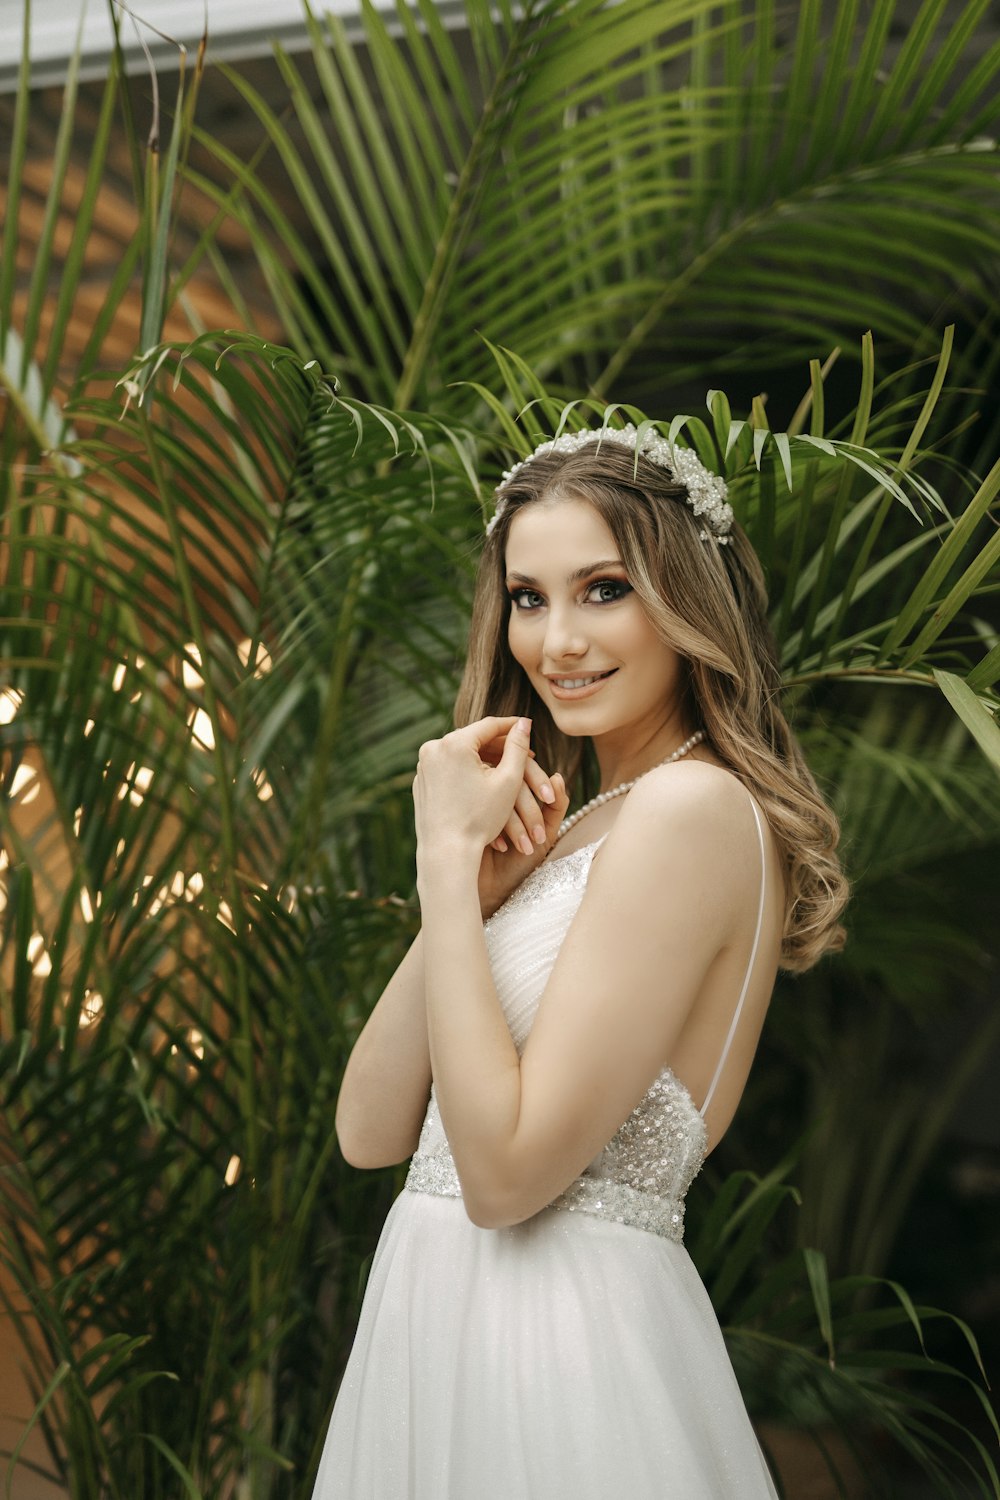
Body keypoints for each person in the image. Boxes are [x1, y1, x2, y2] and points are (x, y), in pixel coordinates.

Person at [315, 423, 848, 1498]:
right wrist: (461, 895)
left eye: (603, 589)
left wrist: (440, 853)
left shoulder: (691, 810)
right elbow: (370, 1131)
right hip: (440, 1325)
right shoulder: (587, 823)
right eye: (526, 597)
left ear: (686, 597)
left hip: (554, 1355)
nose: (556, 639)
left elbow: (507, 1178)